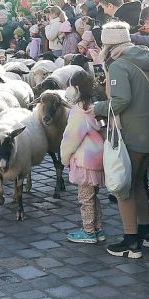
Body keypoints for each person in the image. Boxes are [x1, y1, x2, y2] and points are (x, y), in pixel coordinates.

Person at [90, 21, 149, 259]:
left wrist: (96, 107)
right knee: (138, 183)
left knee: (123, 187)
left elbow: (120, 101)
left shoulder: (120, 65)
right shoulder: (142, 58)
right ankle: (146, 231)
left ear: (108, 44)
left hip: (132, 134)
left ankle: (131, 241)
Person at [62, 69, 106, 244]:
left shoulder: (78, 112)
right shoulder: (96, 108)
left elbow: (71, 137)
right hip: (98, 158)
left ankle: (88, 231)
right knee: (93, 196)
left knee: (85, 197)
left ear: (76, 89)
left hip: (84, 161)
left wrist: (65, 157)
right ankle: (98, 228)